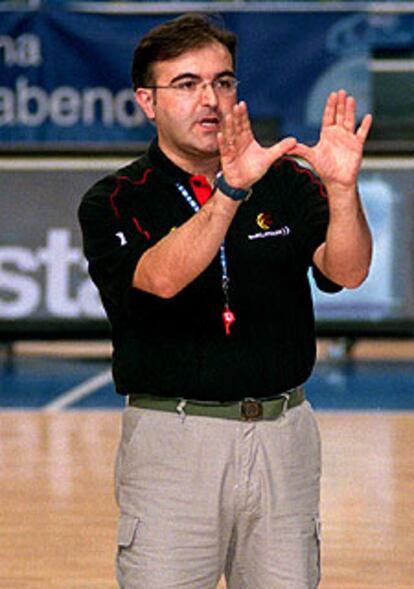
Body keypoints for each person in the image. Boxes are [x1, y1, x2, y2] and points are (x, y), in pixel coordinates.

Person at [78, 12, 372, 589]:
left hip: (283, 436)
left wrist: (342, 192)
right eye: (187, 84)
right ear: (147, 100)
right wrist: (230, 191)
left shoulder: (285, 181)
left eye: (224, 81)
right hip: (173, 441)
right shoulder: (115, 199)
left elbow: (350, 270)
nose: (210, 98)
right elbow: (159, 278)